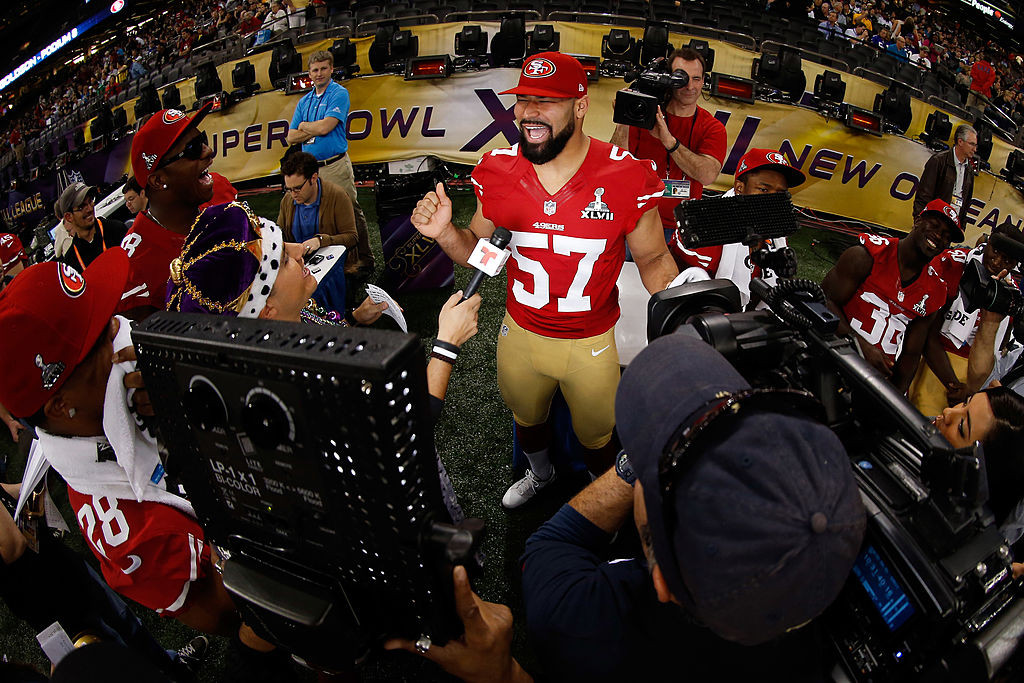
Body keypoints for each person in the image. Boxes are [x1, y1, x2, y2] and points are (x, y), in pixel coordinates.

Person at [387, 334, 866, 681]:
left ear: (660, 582)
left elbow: (555, 542)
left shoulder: (583, 618)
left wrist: (504, 676)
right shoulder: (842, 639)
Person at [413, 52, 678, 508]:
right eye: (524, 100)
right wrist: (445, 234)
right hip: (521, 332)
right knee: (526, 417)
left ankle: (602, 499)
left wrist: (680, 304)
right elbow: (480, 254)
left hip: (591, 341)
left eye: (547, 101)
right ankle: (540, 473)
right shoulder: (497, 170)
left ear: (580, 105)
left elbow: (653, 257)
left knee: (597, 436)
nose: (529, 112)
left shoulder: (627, 174)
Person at [165, 202, 477, 520]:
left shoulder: (286, 328)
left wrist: (354, 319)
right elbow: (407, 424)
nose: (299, 249)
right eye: (283, 260)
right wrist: (446, 343)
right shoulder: (295, 383)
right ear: (266, 311)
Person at [822, 199, 962, 393]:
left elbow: (911, 354)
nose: (938, 236)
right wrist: (859, 346)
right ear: (918, 221)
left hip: (875, 380)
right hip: (832, 359)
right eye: (934, 225)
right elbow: (824, 302)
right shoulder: (867, 255)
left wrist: (895, 395)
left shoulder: (935, 290)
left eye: (947, 236)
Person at [118, 103, 236, 318]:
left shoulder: (218, 190)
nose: (208, 151)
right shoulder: (135, 272)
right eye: (192, 148)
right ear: (158, 180)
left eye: (203, 140)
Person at [609, 47, 727, 242]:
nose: (690, 86)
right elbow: (615, 167)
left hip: (680, 227)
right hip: (636, 220)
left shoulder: (712, 127)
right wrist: (624, 119)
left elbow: (707, 175)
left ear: (703, 81)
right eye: (682, 79)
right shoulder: (643, 112)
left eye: (696, 79)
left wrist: (669, 141)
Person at [910, 222, 1024, 416]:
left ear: (1014, 264)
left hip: (974, 379)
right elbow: (925, 333)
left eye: (1006, 260)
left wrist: (971, 391)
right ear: (988, 242)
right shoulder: (952, 264)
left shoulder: (1011, 295)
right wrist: (954, 385)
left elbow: (998, 350)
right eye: (995, 251)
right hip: (933, 364)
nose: (997, 262)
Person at [670, 147, 805, 307]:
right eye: (764, 189)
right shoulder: (703, 228)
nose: (773, 199)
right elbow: (678, 288)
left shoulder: (777, 231)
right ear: (739, 188)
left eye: (780, 193)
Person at [286, 50, 373, 276]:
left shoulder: (339, 93)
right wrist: (313, 128)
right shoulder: (304, 101)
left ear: (331, 69)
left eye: (324, 68)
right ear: (309, 73)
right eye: (315, 70)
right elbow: (290, 137)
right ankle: (334, 262)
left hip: (335, 165)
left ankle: (364, 258)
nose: (319, 73)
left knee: (350, 211)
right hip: (311, 171)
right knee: (321, 215)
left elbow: (326, 127)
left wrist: (304, 126)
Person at [277, 150, 356, 313]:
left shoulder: (337, 196)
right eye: (288, 189)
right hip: (299, 265)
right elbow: (280, 233)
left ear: (313, 178)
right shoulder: (288, 200)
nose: (293, 194)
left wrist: (320, 241)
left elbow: (352, 237)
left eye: (297, 188)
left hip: (333, 268)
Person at [53, 182, 127, 273]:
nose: (90, 209)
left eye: (90, 201)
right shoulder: (71, 261)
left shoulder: (116, 230)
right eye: (82, 207)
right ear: (69, 217)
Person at [913, 124, 976, 218]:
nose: (975, 149)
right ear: (960, 141)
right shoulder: (938, 161)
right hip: (933, 220)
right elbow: (923, 197)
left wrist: (961, 225)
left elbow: (966, 205)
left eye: (975, 145)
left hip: (953, 223)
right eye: (972, 144)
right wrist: (921, 221)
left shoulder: (969, 171)